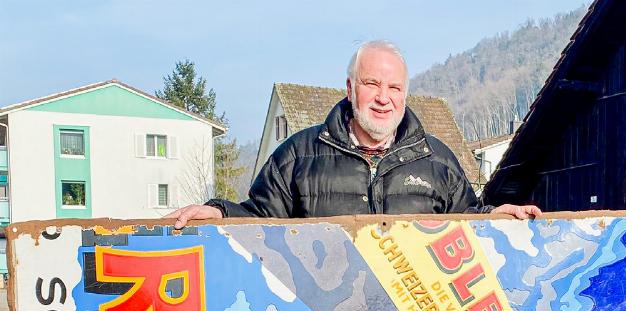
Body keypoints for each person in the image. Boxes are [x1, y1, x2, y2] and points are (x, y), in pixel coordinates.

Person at [166, 40, 541, 228]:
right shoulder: (298, 156)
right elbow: (260, 221)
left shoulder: (437, 159)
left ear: (405, 94)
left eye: (394, 88)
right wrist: (218, 213)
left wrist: (495, 217)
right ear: (350, 88)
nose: (383, 98)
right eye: (372, 84)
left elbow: (467, 219)